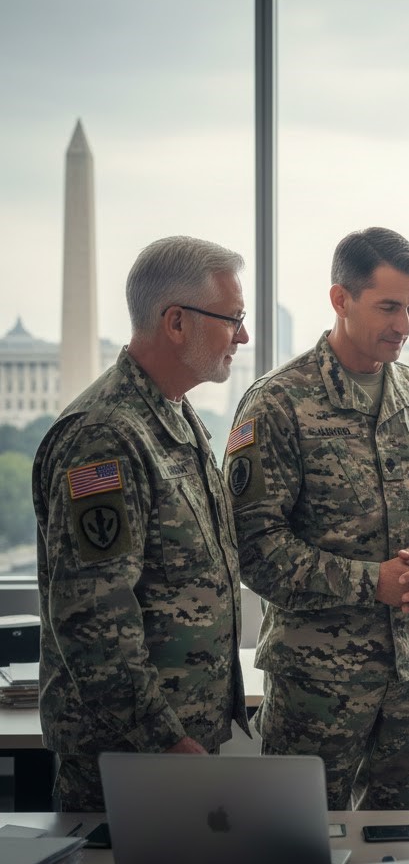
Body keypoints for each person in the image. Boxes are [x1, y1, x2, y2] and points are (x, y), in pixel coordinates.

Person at [224, 226, 409, 811]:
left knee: (408, 847)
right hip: (317, 690)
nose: (404, 326)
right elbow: (254, 547)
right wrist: (374, 584)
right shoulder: (276, 403)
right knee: (300, 847)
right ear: (341, 300)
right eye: (389, 307)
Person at [32, 235, 251, 812]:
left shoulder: (176, 416)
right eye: (233, 319)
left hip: (180, 741)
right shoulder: (105, 435)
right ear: (176, 322)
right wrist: (165, 740)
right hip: (132, 755)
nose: (244, 337)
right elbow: (93, 616)